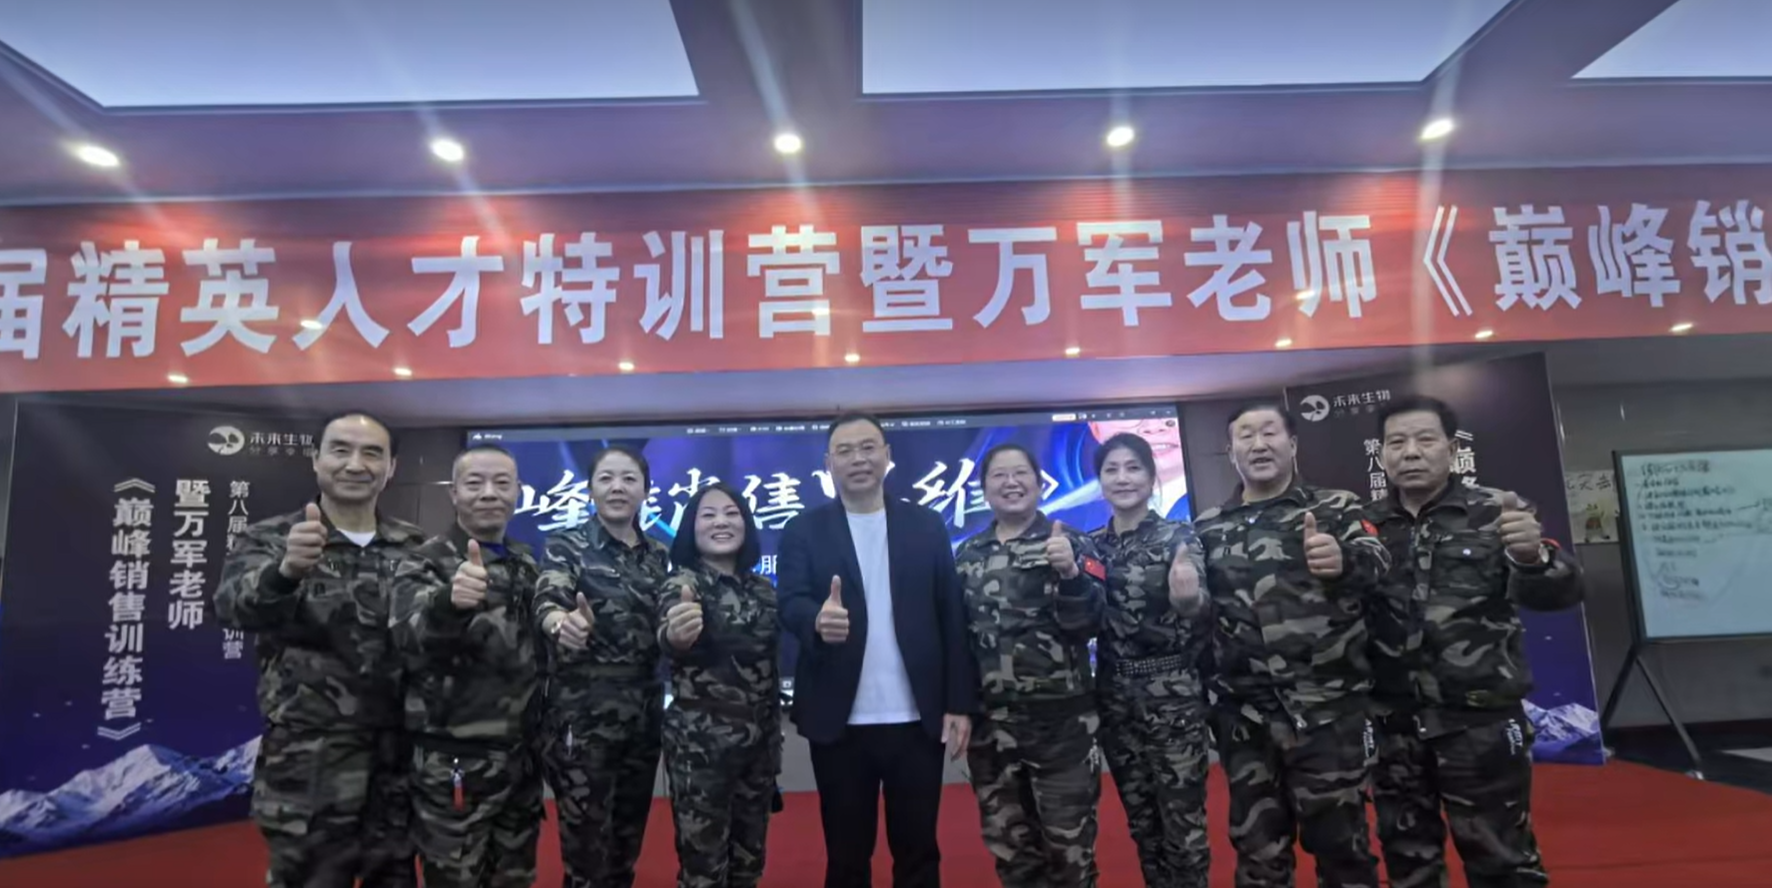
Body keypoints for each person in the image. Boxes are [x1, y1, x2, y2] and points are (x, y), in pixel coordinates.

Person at [1365, 396, 1585, 888]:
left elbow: (1560, 593)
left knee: (1503, 862)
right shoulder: (1362, 525)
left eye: (1425, 439)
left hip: (1479, 723)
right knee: (1408, 863)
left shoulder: (1496, 512)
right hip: (1395, 726)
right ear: (1382, 454)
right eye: (1396, 442)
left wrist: (1532, 559)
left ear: (1451, 448)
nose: (1411, 452)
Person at [215, 411, 422, 888]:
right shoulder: (271, 538)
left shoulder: (415, 546)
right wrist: (285, 572)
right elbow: (231, 608)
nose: (356, 464)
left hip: (397, 760)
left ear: (391, 467)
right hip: (309, 760)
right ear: (316, 459)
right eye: (340, 450)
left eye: (372, 453)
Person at [1193, 402, 1389, 888]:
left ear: (1293, 444)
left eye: (1269, 433)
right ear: (1231, 452)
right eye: (1245, 436)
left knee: (1343, 852)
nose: (1258, 444)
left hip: (1327, 713)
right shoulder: (1208, 526)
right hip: (1247, 720)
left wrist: (1343, 560)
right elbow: (1201, 618)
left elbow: (1378, 562)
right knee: (1259, 855)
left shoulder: (1336, 507)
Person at [777, 413, 977, 888]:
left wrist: (959, 703)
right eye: (844, 451)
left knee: (918, 850)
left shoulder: (925, 525)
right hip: (840, 722)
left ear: (887, 455)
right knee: (846, 855)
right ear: (828, 463)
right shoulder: (804, 529)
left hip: (916, 720)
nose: (858, 459)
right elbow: (789, 601)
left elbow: (951, 616)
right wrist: (816, 620)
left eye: (868, 447)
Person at [390, 445, 544, 888]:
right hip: (455, 760)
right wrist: (448, 604)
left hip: (520, 760)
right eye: (475, 483)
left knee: (515, 878)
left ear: (518, 492)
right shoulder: (424, 560)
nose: (489, 493)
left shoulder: (525, 561)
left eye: (502, 483)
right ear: (454, 493)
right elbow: (405, 639)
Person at [954, 443, 1106, 888]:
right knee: (1014, 859)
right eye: (999, 475)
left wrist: (1071, 575)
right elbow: (957, 639)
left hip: (1061, 728)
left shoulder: (1070, 542)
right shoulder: (968, 555)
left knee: (1070, 857)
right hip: (992, 733)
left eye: (1020, 473)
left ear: (1040, 484)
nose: (1011, 483)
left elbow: (1092, 624)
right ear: (984, 489)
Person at [533, 445, 673, 888]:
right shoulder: (566, 544)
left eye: (629, 479)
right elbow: (548, 600)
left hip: (643, 718)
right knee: (586, 851)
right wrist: (562, 624)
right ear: (590, 489)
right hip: (583, 718)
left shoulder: (659, 555)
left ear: (645, 490)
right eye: (606, 478)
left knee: (625, 845)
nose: (617, 487)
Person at [1086, 433, 1212, 888]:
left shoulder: (1178, 537)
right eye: (1112, 469)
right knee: (1143, 825)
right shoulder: (1090, 546)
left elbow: (1200, 606)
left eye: (1133, 467)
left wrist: (1189, 598)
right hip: (1115, 701)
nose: (1123, 478)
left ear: (1152, 475)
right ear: (1100, 481)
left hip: (1172, 699)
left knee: (1183, 826)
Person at [657, 483, 782, 888]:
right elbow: (669, 633)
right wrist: (676, 633)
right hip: (701, 750)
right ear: (691, 527)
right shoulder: (682, 584)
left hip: (759, 746)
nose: (721, 522)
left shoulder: (763, 588)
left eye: (731, 513)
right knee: (704, 868)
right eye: (708, 515)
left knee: (749, 863)